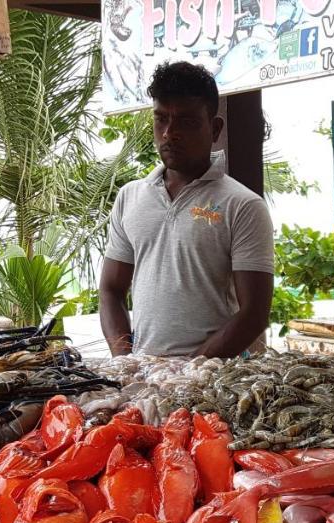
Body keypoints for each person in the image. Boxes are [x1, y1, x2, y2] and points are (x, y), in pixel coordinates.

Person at [99, 61, 274, 357]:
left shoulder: (243, 206)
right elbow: (111, 291)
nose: (170, 133)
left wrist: (187, 374)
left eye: (187, 122)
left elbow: (254, 313)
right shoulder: (130, 197)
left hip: (212, 383)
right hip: (143, 379)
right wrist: (125, 361)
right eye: (161, 120)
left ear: (215, 128)